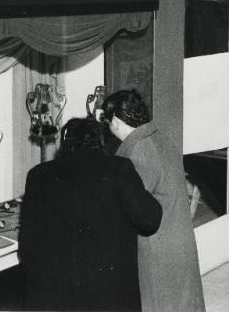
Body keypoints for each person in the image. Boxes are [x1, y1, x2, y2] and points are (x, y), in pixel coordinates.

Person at [18, 117, 162, 311]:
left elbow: (27, 246)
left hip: (54, 297)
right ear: (100, 141)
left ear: (64, 142)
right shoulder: (119, 169)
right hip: (108, 298)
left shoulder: (37, 175)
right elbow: (150, 220)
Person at [103, 90, 206, 312]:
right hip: (177, 234)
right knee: (182, 301)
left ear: (117, 122)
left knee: (159, 302)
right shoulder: (158, 136)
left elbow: (131, 206)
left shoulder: (137, 150)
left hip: (157, 244)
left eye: (108, 122)